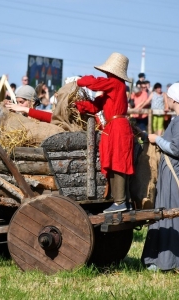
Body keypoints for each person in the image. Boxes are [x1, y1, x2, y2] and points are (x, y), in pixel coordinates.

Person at [75, 52, 134, 213]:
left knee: (118, 163)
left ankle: (120, 201)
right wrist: (78, 106)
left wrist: (78, 81)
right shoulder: (113, 88)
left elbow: (93, 83)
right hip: (115, 127)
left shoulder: (115, 83)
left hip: (118, 127)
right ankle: (123, 201)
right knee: (116, 162)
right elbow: (95, 106)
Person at [141, 83, 179, 271]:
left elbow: (176, 149)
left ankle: (168, 261)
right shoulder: (176, 119)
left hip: (174, 177)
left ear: (173, 99)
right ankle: (160, 259)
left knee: (170, 214)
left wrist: (157, 140)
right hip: (169, 176)